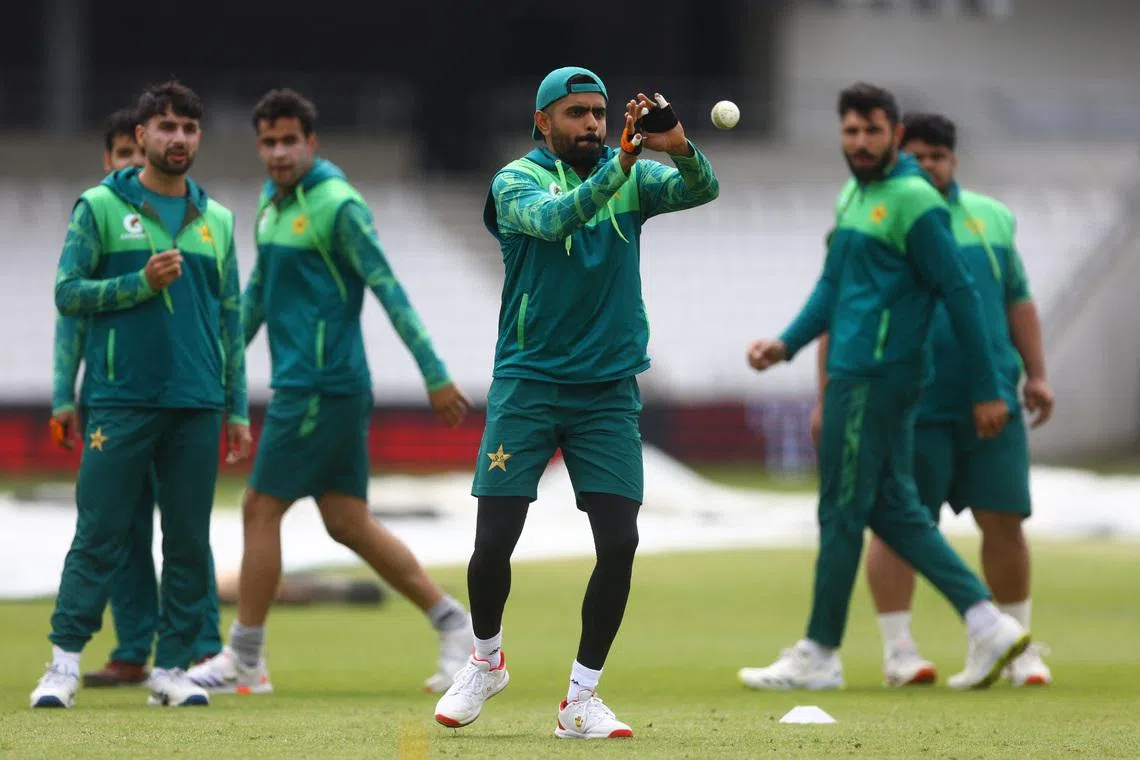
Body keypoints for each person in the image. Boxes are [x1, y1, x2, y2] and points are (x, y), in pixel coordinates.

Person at [433, 66, 719, 738]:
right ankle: (485, 660)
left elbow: (703, 189)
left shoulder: (635, 178)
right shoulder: (516, 182)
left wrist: (677, 144)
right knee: (494, 542)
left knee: (620, 542)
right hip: (528, 385)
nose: (591, 123)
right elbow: (561, 216)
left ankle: (580, 700)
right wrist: (624, 158)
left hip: (608, 391)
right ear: (543, 122)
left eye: (598, 112)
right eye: (576, 113)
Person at [738, 82, 1029, 692]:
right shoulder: (853, 193)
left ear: (895, 134)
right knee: (890, 508)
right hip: (864, 375)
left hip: (874, 377)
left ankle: (819, 651)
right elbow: (832, 286)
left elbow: (963, 292)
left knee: (841, 511)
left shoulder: (913, 199)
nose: (861, 142)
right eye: (851, 131)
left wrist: (986, 386)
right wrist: (786, 344)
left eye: (873, 130)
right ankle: (987, 622)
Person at [187, 88, 472, 696]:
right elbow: (260, 293)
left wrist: (434, 371)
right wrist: (218, 367)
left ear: (311, 143)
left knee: (260, 508)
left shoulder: (338, 205)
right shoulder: (271, 203)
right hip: (323, 387)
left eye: (290, 141)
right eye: (268, 142)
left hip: (318, 386)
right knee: (347, 523)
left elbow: (387, 286)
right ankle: (457, 626)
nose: (279, 153)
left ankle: (244, 658)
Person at [33, 80, 251, 709]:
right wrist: (137, 284)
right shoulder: (98, 207)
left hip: (197, 403)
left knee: (187, 541)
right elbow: (67, 293)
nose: (177, 138)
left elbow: (229, 321)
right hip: (120, 401)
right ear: (140, 137)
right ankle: (62, 664)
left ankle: (173, 668)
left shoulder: (218, 220)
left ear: (198, 137)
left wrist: (235, 406)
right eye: (165, 127)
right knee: (99, 532)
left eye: (188, 127)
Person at [853, 112, 1054, 687]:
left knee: (1006, 520)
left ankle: (1017, 648)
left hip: (992, 401)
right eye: (916, 156)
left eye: (938, 156)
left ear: (954, 162)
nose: (928, 166)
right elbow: (849, 306)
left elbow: (1018, 299)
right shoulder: (877, 216)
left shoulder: (991, 217)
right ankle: (900, 652)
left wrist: (1036, 374)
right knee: (898, 524)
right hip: (911, 404)